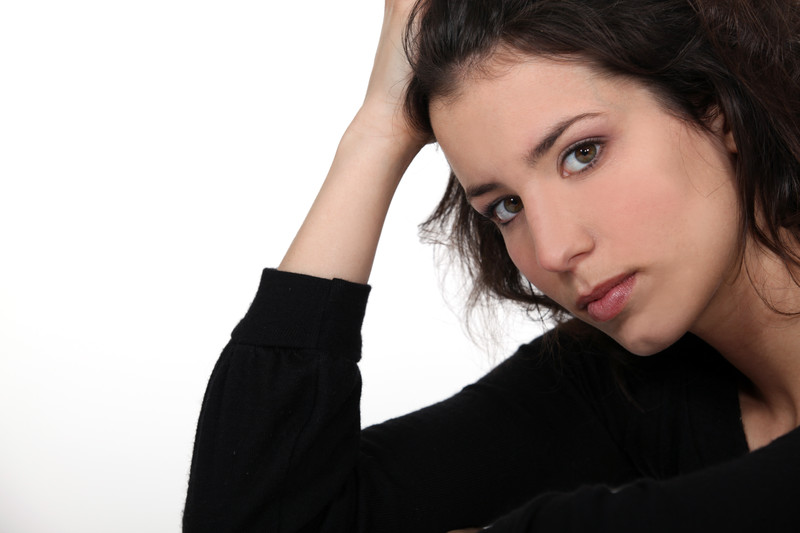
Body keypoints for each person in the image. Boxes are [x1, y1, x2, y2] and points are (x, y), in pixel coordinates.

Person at [183, 0, 800, 531]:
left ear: (715, 108)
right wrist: (376, 135)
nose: (553, 251)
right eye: (505, 207)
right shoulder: (623, 387)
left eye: (582, 154)